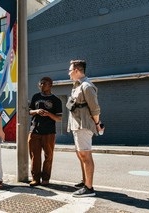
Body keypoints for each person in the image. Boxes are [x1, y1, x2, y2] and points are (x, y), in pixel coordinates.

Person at [67, 60, 105, 197]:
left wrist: (97, 124)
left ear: (77, 71)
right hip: (77, 125)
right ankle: (85, 182)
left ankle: (89, 188)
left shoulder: (87, 86)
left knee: (86, 155)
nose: (68, 72)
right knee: (81, 154)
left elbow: (95, 109)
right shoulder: (77, 85)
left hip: (84, 125)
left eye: (70, 70)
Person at [28, 77, 63, 187]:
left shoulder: (56, 100)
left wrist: (48, 114)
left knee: (48, 156)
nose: (42, 85)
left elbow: (59, 117)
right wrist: (37, 111)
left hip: (49, 132)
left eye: (44, 83)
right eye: (41, 83)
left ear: (50, 85)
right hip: (34, 131)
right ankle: (35, 179)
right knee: (35, 156)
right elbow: (30, 111)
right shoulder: (36, 97)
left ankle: (46, 179)